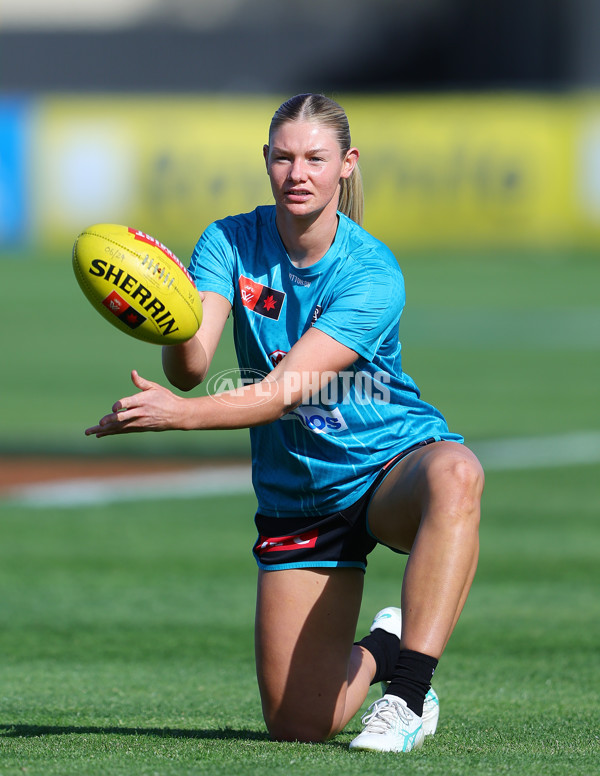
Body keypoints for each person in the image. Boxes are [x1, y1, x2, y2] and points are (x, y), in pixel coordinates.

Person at [86, 93, 484, 753]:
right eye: (283, 157)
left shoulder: (371, 272)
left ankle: (408, 697)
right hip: (300, 496)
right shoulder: (228, 240)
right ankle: (389, 641)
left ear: (346, 166)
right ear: (266, 162)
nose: (298, 173)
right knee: (299, 725)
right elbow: (190, 367)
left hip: (387, 470)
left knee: (457, 472)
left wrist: (178, 417)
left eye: (315, 159)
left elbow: (280, 393)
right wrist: (162, 309)